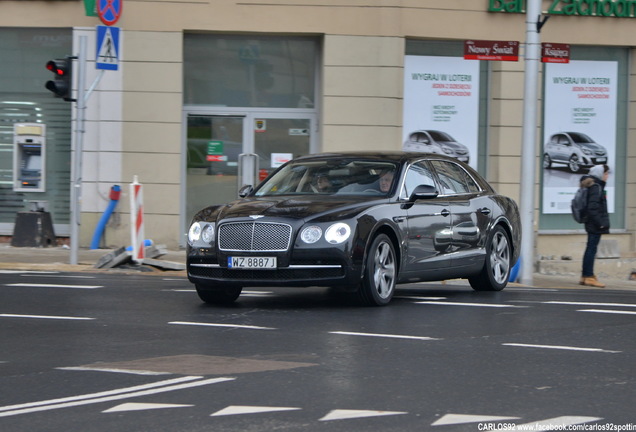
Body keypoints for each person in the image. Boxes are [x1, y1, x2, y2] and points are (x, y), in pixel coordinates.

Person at [580, 164, 610, 288]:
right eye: (606, 173)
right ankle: (588, 276)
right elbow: (592, 208)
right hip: (595, 225)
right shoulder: (596, 187)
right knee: (591, 249)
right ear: (600, 174)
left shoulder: (594, 186)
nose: (607, 176)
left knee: (590, 249)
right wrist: (601, 223)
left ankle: (586, 276)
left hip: (592, 223)